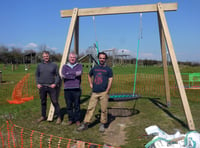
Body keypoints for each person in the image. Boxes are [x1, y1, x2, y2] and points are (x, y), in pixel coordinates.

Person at [77, 52, 113, 132]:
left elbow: (110, 79)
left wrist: (107, 90)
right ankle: (85, 123)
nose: (102, 59)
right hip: (94, 92)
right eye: (100, 58)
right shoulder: (95, 68)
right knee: (90, 108)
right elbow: (89, 75)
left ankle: (103, 124)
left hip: (104, 92)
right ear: (98, 58)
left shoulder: (108, 69)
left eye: (103, 58)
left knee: (104, 110)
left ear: (105, 59)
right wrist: (90, 83)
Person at [35, 51, 61, 124]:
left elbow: (57, 76)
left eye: (47, 56)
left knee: (55, 101)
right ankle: (43, 116)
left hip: (51, 86)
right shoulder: (39, 65)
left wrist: (55, 84)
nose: (46, 57)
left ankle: (59, 117)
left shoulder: (54, 65)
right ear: (42, 57)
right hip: (42, 86)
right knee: (43, 102)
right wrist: (37, 83)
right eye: (44, 56)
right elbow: (37, 75)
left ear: (49, 56)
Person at [61, 52, 83, 126]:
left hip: (76, 88)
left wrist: (69, 74)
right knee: (69, 105)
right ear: (68, 58)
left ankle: (77, 120)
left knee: (77, 105)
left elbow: (79, 73)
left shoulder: (79, 65)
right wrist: (73, 75)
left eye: (73, 57)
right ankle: (71, 119)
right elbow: (63, 75)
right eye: (71, 57)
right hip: (67, 89)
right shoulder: (64, 66)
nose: (72, 58)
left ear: (76, 58)